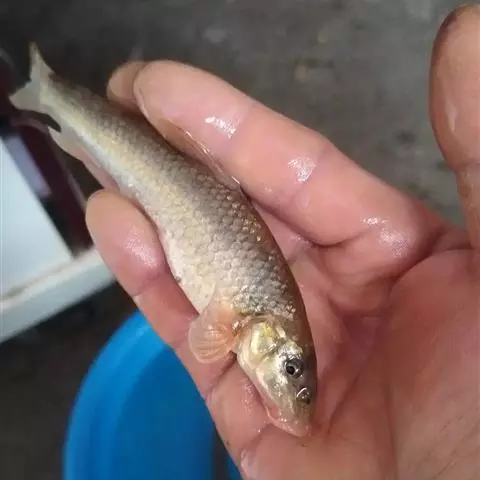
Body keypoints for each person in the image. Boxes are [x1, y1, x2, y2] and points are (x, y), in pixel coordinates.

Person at [80, 6, 479, 479]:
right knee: (114, 154)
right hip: (174, 188)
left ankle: (60, 105)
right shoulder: (250, 317)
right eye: (291, 370)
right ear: (270, 334)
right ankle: (60, 101)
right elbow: (208, 340)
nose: (291, 384)